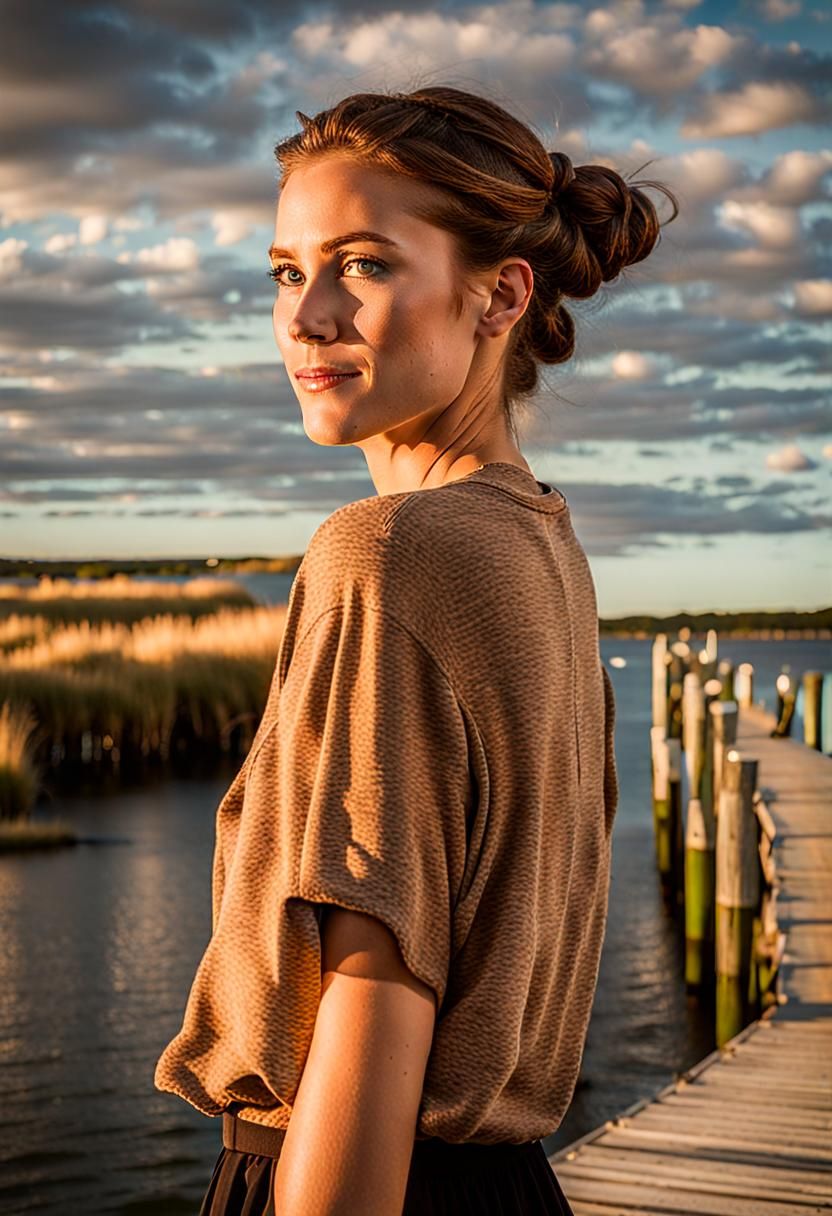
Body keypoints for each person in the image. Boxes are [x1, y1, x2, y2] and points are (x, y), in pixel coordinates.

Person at [154, 83, 679, 1215]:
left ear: (502, 294)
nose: (307, 317)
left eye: (363, 265)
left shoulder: (388, 555)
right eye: (286, 272)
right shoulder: (542, 545)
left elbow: (372, 995)